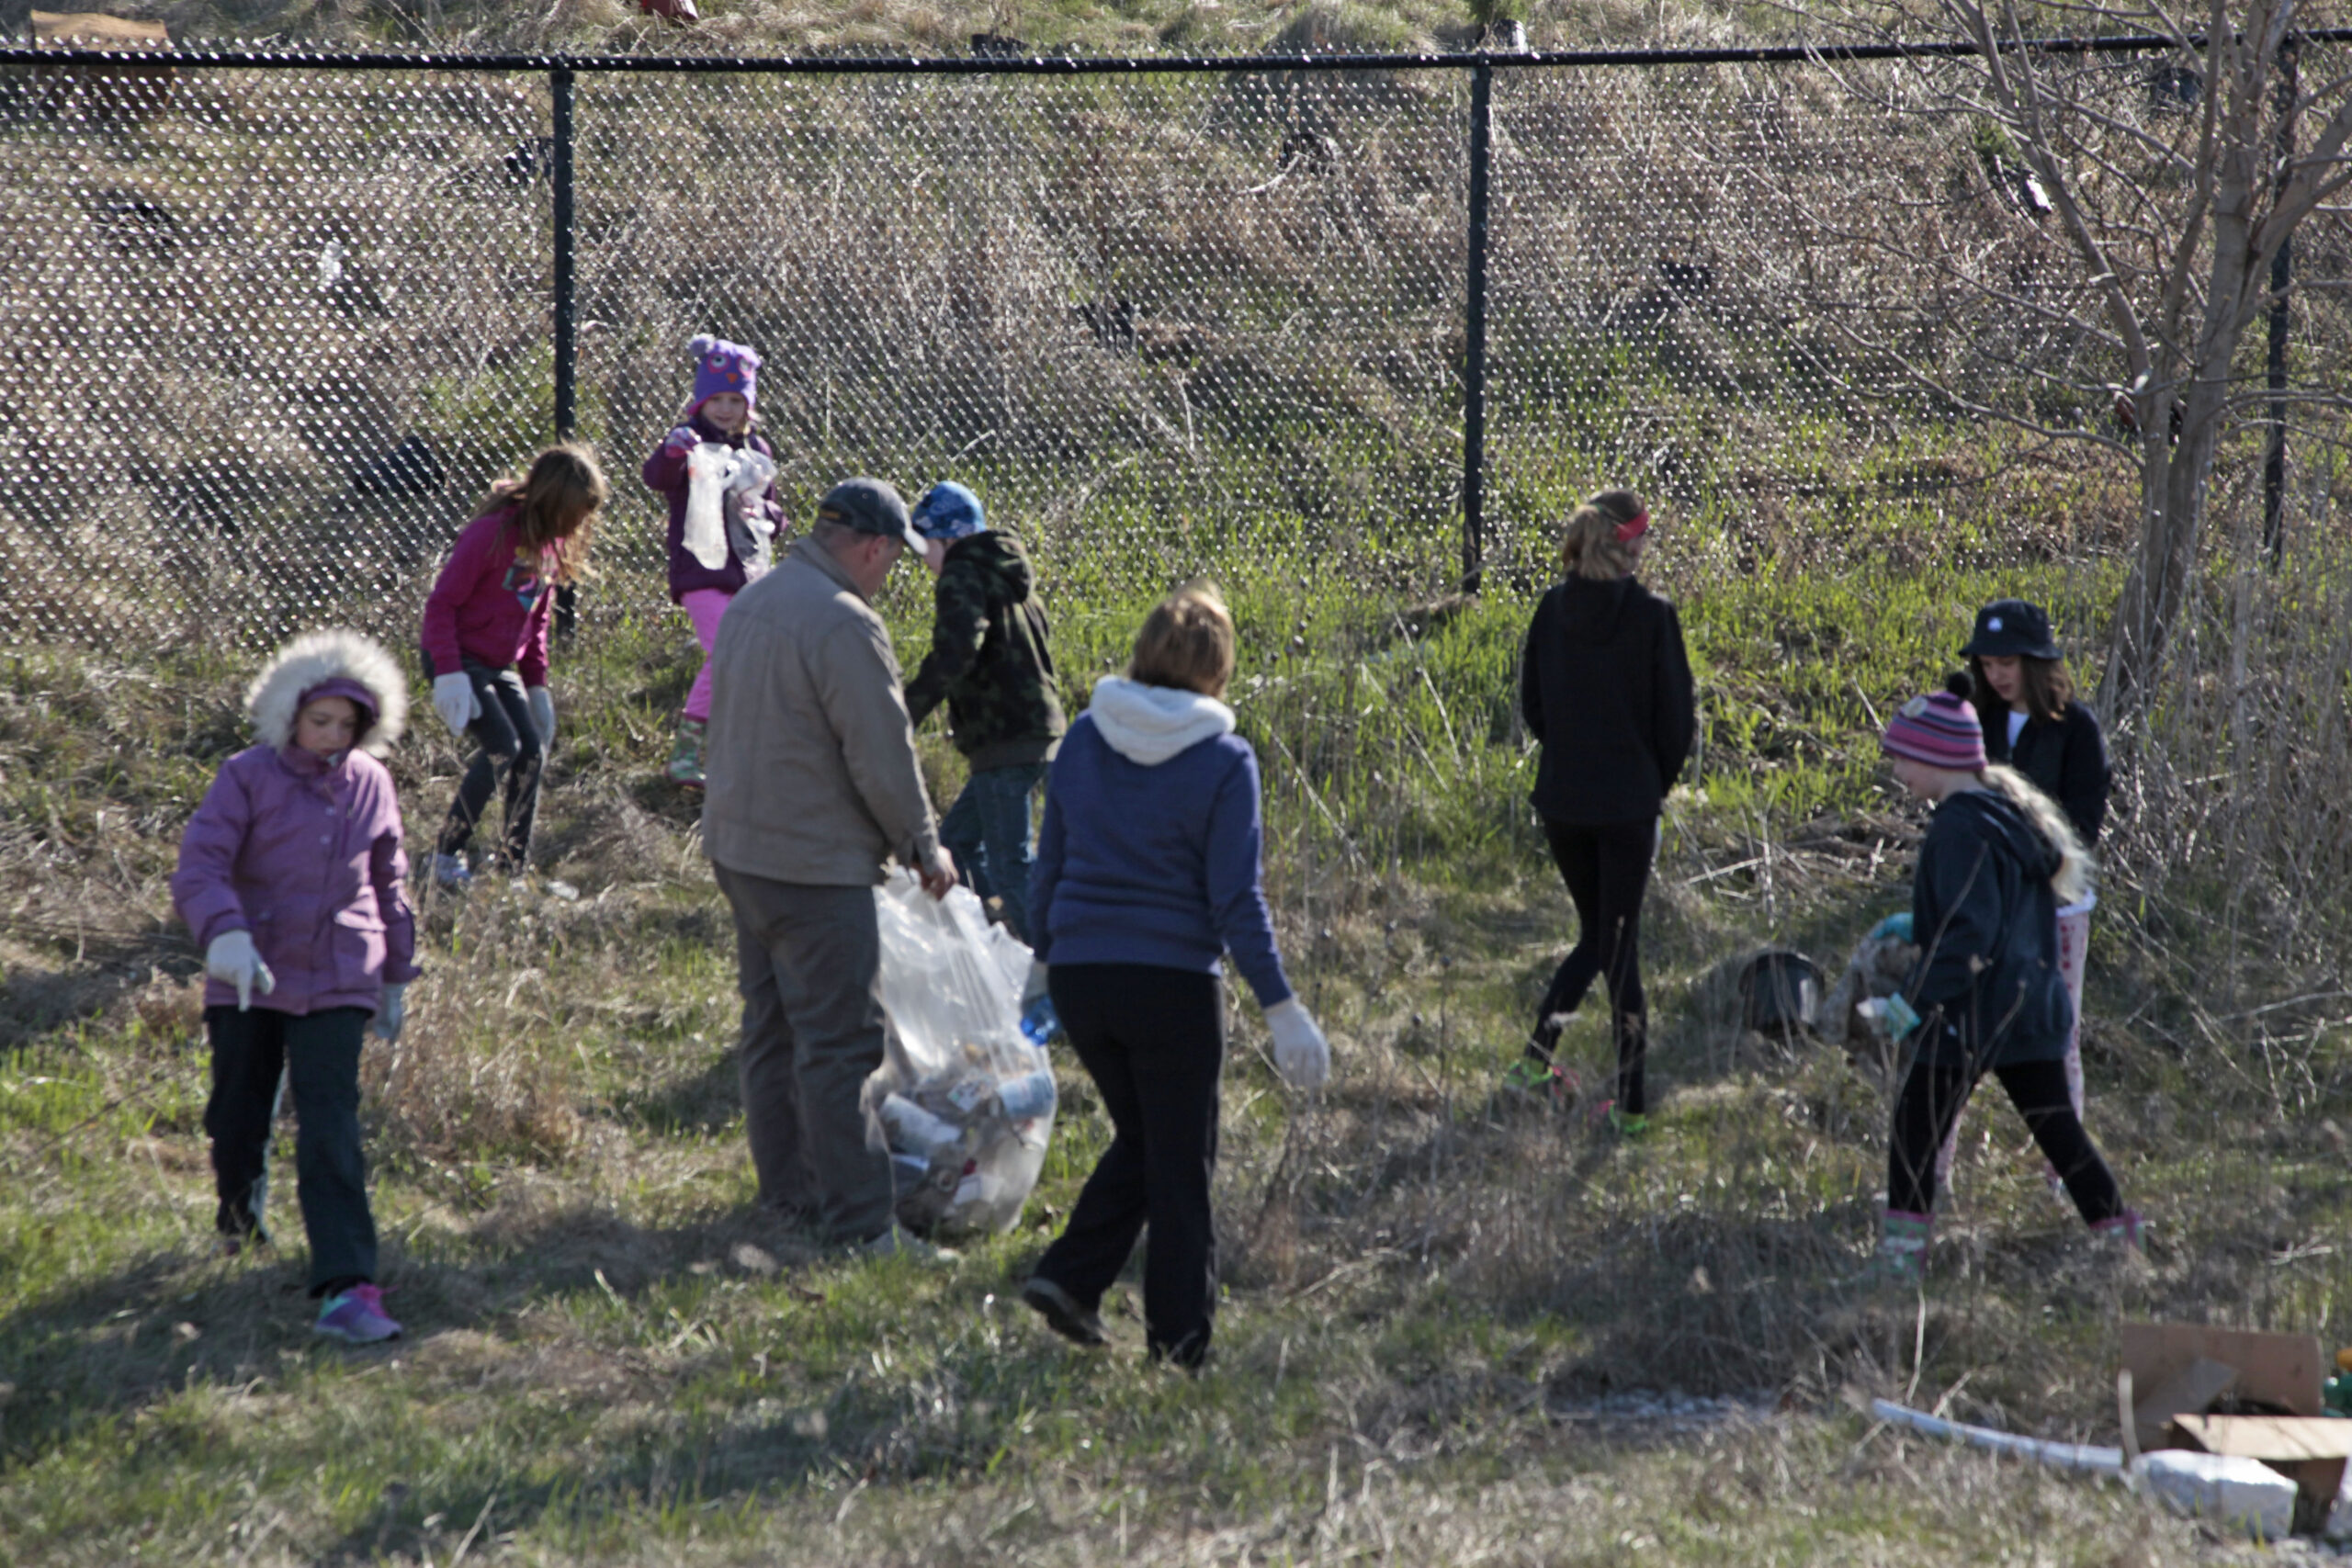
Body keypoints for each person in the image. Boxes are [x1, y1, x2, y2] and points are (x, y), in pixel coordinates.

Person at [1020, 583, 1331, 1369]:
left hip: (1083, 981)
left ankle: (1071, 1279)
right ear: (1218, 668)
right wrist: (1282, 1005)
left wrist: (1040, 960)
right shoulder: (1224, 758)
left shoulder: (1085, 738)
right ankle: (1179, 1345)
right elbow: (1236, 899)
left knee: (1150, 1141)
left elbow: (1047, 865)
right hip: (1173, 986)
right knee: (1181, 1163)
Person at [701, 477, 957, 1258]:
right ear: (875, 546)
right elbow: (881, 750)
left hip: (742, 852)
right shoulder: (845, 622)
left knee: (771, 1030)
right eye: (892, 561)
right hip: (813, 864)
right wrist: (921, 840)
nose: (889, 577)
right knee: (841, 1043)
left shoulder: (755, 600)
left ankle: (788, 1196)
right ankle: (861, 1226)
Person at [170, 629, 418, 1344]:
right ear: (290, 713)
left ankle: (347, 1285)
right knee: (238, 1108)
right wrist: (225, 935)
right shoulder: (245, 775)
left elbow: (388, 879)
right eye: (321, 721)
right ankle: (239, 1226)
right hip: (249, 971)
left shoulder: (372, 781)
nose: (333, 737)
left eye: (348, 725)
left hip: (342, 972)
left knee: (331, 1124)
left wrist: (396, 973)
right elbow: (201, 865)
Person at [1869, 680, 2143, 1284]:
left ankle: (1899, 1261)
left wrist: (1909, 1004)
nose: (1896, 772)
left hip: (1968, 1014)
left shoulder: (1959, 829)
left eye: (1901, 757)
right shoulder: (2005, 817)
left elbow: (1969, 936)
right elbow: (1985, 918)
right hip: (2026, 1007)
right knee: (2058, 1129)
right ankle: (2123, 1241)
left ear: (1937, 757)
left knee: (1914, 1128)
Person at [1509, 489, 1696, 1135]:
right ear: (1630, 544)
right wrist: (1650, 783)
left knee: (1599, 938)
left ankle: (1535, 1061)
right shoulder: (1653, 616)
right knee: (1618, 952)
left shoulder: (1551, 608)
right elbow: (1677, 723)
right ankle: (1633, 1107)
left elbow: (1533, 702)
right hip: (1625, 808)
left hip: (1563, 803)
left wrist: (1568, 756)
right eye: (1645, 538)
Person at [419, 443, 606, 888]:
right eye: (575, 514)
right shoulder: (490, 535)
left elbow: (535, 621)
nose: (580, 524)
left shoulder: (549, 547)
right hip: (459, 659)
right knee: (503, 745)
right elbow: (442, 605)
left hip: (500, 665)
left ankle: (511, 868)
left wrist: (537, 687)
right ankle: (445, 855)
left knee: (531, 754)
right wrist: (448, 672)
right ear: (552, 504)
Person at [1960, 598, 2111, 1143]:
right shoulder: (1976, 719)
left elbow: (2082, 823)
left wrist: (2029, 863)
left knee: (2057, 1034)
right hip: (1984, 900)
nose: (1996, 674)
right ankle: (1934, 1170)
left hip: (2057, 905)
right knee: (1958, 1033)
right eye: (1987, 663)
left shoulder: (2076, 728)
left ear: (2036, 662)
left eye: (2007, 662)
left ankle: (2061, 1173)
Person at [901, 480, 1067, 942]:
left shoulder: (962, 571)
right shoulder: (1011, 577)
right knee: (954, 848)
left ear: (949, 539)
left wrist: (906, 710)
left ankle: (1054, 964)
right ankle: (992, 934)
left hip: (1005, 736)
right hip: (1038, 731)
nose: (926, 563)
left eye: (926, 547)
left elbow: (957, 650)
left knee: (1010, 864)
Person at [641, 334, 784, 789]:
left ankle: (742, 750)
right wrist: (671, 452)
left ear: (749, 404)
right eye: (716, 398)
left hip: (748, 574)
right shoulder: (689, 441)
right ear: (700, 400)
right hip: (700, 571)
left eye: (735, 399)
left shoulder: (757, 452)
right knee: (726, 652)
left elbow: (773, 510)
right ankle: (685, 753)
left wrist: (765, 515)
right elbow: (656, 478)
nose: (725, 408)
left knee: (753, 658)